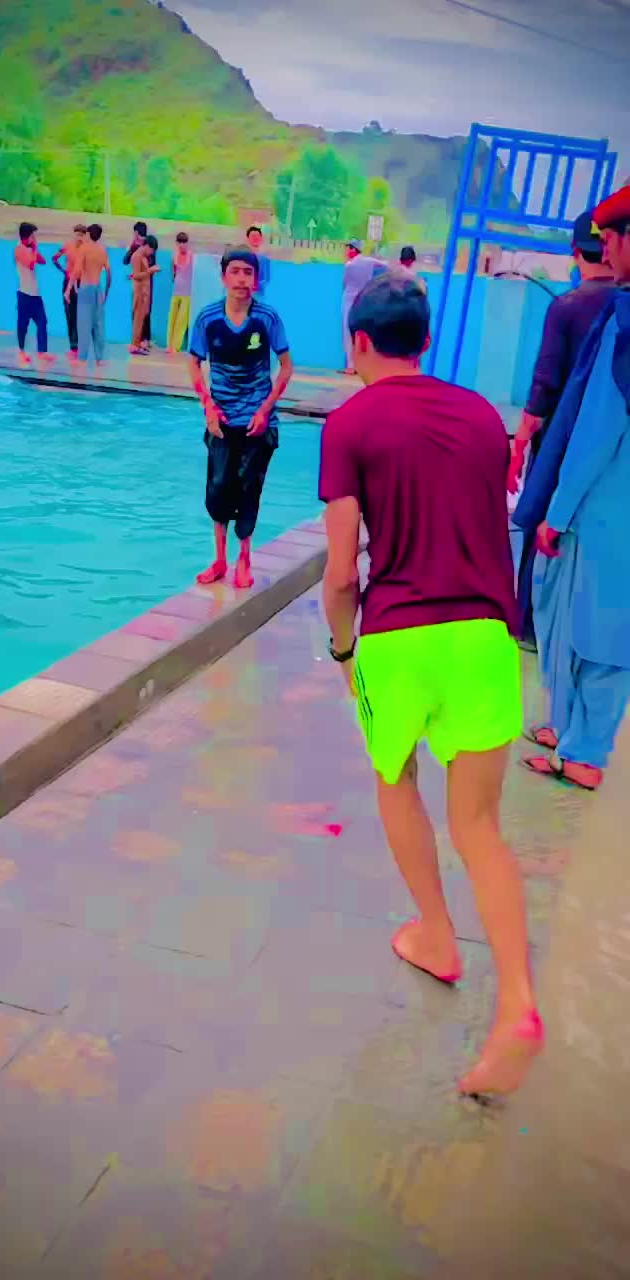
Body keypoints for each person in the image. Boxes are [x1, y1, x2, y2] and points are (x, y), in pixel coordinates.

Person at [320, 269, 542, 1098]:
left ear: (360, 343)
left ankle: (439, 936)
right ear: (425, 341)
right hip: (485, 635)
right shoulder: (482, 415)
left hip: (399, 638)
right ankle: (518, 1004)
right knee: (480, 826)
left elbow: (343, 572)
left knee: (396, 777)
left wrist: (344, 652)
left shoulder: (349, 422)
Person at [515, 186, 630, 790]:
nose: (604, 251)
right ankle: (574, 738)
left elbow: (596, 430)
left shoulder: (623, 322)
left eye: (611, 239)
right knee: (598, 624)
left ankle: (580, 748)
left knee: (587, 624)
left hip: (603, 504)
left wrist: (556, 512)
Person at [508, 211, 615, 648]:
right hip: (608, 449)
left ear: (575, 252)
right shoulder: (621, 306)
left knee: (540, 524)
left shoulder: (567, 307)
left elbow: (544, 387)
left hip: (559, 442)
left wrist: (520, 442)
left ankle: (529, 626)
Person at [189, 247, 293, 590]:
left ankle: (244, 560)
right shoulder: (207, 318)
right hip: (221, 421)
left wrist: (265, 410)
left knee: (249, 488)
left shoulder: (267, 318)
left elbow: (286, 367)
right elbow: (194, 364)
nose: (241, 279)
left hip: (257, 422)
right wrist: (208, 406)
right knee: (219, 487)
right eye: (234, 272)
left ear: (256, 279)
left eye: (248, 273)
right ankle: (220, 560)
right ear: (223, 277)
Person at [67, 223, 112, 367]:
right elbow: (109, 273)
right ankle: (100, 359)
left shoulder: (84, 248)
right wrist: (106, 292)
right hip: (98, 289)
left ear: (88, 234)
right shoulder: (102, 250)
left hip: (86, 288)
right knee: (99, 325)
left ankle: (82, 359)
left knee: (84, 324)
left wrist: (68, 289)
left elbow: (77, 270)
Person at [14, 222, 53, 365]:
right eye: (32, 235)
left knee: (42, 321)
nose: (34, 238)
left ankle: (42, 352)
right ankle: (21, 351)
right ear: (27, 236)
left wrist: (34, 248)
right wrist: (34, 248)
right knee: (23, 325)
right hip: (25, 294)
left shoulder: (30, 249)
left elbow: (42, 261)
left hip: (35, 295)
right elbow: (30, 265)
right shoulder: (19, 249)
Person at [340, 239, 378, 374]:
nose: (346, 251)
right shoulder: (369, 261)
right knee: (361, 333)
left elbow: (345, 283)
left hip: (349, 299)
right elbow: (385, 265)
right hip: (363, 300)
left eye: (348, 248)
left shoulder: (349, 265)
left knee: (347, 331)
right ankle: (362, 365)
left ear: (353, 249)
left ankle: (351, 366)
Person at [52, 224, 87, 359]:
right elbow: (54, 258)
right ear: (74, 234)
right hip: (68, 282)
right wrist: (64, 271)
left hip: (81, 283)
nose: (79, 237)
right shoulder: (67, 246)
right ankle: (73, 347)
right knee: (69, 314)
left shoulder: (86, 249)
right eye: (78, 234)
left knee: (80, 315)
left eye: (82, 235)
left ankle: (80, 345)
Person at [129, 237, 160, 355]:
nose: (151, 253)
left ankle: (138, 343)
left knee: (141, 320)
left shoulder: (143, 257)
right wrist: (151, 270)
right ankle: (134, 345)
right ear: (147, 246)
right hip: (139, 292)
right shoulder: (136, 256)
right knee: (137, 320)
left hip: (144, 292)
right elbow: (136, 275)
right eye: (151, 250)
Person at [124, 221, 152, 348]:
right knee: (138, 311)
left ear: (136, 232)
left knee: (144, 310)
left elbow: (150, 264)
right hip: (139, 281)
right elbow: (125, 260)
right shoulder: (136, 247)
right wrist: (132, 246)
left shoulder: (148, 246)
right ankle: (138, 340)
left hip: (145, 281)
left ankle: (144, 339)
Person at [167, 231, 193, 353]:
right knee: (172, 318)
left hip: (187, 293)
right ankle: (169, 344)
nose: (182, 245)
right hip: (176, 290)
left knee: (181, 321)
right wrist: (175, 280)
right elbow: (172, 272)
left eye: (184, 242)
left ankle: (175, 346)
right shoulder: (174, 256)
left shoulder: (191, 257)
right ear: (177, 243)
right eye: (180, 242)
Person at [246, 226, 271, 295]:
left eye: (257, 236)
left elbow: (267, 279)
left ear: (261, 238)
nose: (255, 238)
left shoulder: (265, 259)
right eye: (253, 236)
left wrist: (258, 286)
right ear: (248, 239)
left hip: (259, 293)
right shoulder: (242, 257)